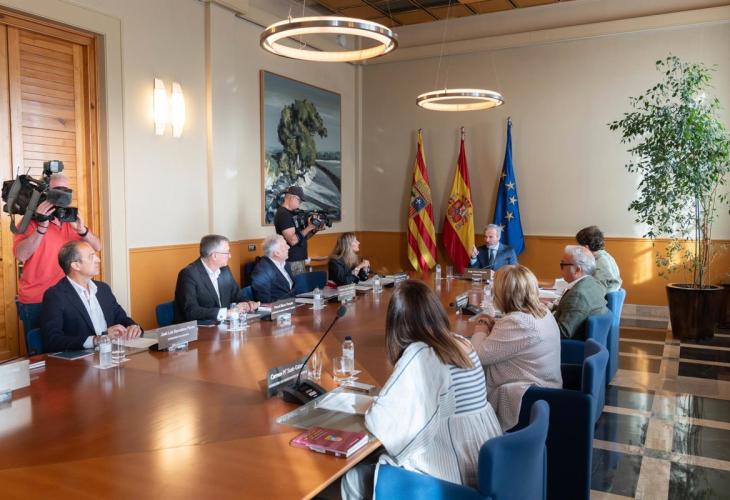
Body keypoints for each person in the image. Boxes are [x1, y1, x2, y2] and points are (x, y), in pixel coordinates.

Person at [341, 280, 502, 499]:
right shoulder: (460, 342)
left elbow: (382, 420)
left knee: (352, 477)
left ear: (398, 324)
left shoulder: (423, 353)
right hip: (482, 463)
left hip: (454, 474)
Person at [471, 265, 563, 431]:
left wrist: (481, 325)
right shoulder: (543, 311)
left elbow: (477, 355)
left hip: (529, 397)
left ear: (503, 293)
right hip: (547, 388)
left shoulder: (517, 322)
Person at [13, 173, 101, 333]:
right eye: (57, 190)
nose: (62, 195)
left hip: (69, 297)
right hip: (37, 299)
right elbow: (21, 255)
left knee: (71, 345)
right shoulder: (29, 223)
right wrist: (42, 226)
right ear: (45, 193)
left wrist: (82, 230)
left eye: (66, 190)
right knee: (40, 347)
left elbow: (97, 246)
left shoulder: (71, 221)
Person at [40, 241, 139, 352]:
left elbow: (121, 318)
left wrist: (133, 327)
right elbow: (52, 340)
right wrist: (96, 340)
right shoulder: (55, 295)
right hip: (80, 359)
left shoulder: (103, 289)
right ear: (76, 265)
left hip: (112, 353)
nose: (98, 260)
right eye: (91, 257)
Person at [174, 235, 259, 324]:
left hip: (224, 326)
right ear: (214, 256)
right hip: (199, 328)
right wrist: (226, 313)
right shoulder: (189, 274)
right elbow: (191, 311)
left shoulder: (224, 270)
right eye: (227, 252)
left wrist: (248, 304)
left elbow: (237, 295)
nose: (230, 256)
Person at [553, 245, 610, 340]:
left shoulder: (578, 295)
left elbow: (563, 332)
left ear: (577, 269)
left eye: (562, 264)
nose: (560, 268)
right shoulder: (593, 283)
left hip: (570, 346)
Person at [274, 186, 325, 276]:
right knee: (298, 285)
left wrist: (314, 229)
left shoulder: (292, 213)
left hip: (299, 259)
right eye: (299, 200)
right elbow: (293, 240)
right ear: (292, 197)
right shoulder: (283, 214)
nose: (300, 203)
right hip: (292, 260)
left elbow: (301, 238)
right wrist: (309, 227)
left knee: (301, 284)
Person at [576, 225, 622, 292]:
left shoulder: (600, 262)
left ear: (586, 247)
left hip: (604, 296)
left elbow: (598, 290)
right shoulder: (607, 256)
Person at [250, 235, 296, 303]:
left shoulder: (285, 264)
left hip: (292, 303)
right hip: (278, 307)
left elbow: (291, 288)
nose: (288, 247)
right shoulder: (262, 271)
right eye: (284, 246)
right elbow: (264, 301)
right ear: (276, 253)